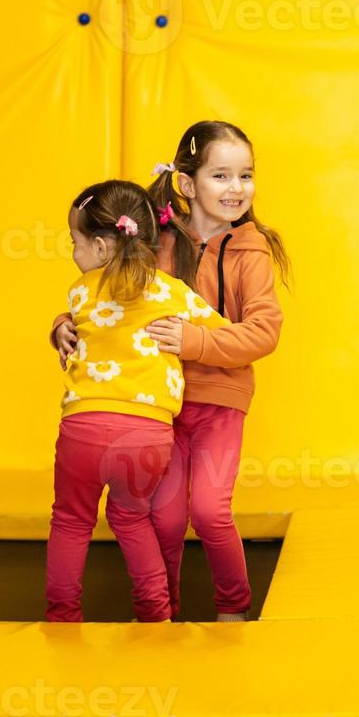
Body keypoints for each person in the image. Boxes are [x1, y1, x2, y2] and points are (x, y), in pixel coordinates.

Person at [45, 179, 229, 623]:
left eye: (76, 241)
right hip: (146, 434)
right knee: (132, 519)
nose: (73, 252)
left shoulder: (80, 290)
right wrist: (191, 338)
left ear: (104, 247)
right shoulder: (172, 292)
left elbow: (79, 318)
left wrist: (59, 325)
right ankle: (156, 616)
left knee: (71, 522)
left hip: (84, 429)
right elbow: (222, 331)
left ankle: (61, 616)